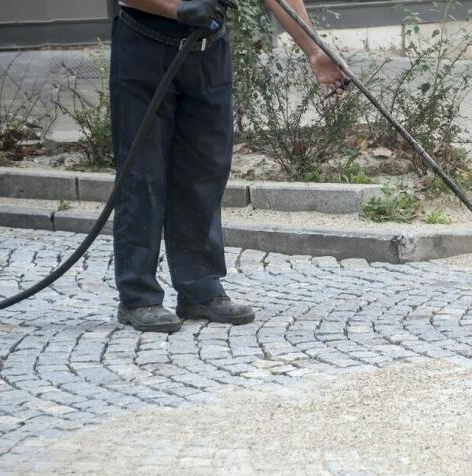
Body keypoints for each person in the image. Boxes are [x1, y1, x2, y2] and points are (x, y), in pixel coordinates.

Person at [112, 0, 346, 333]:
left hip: (209, 51)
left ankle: (199, 288)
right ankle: (138, 296)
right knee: (142, 174)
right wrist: (177, 8)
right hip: (145, 45)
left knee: (205, 169)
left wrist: (314, 50)